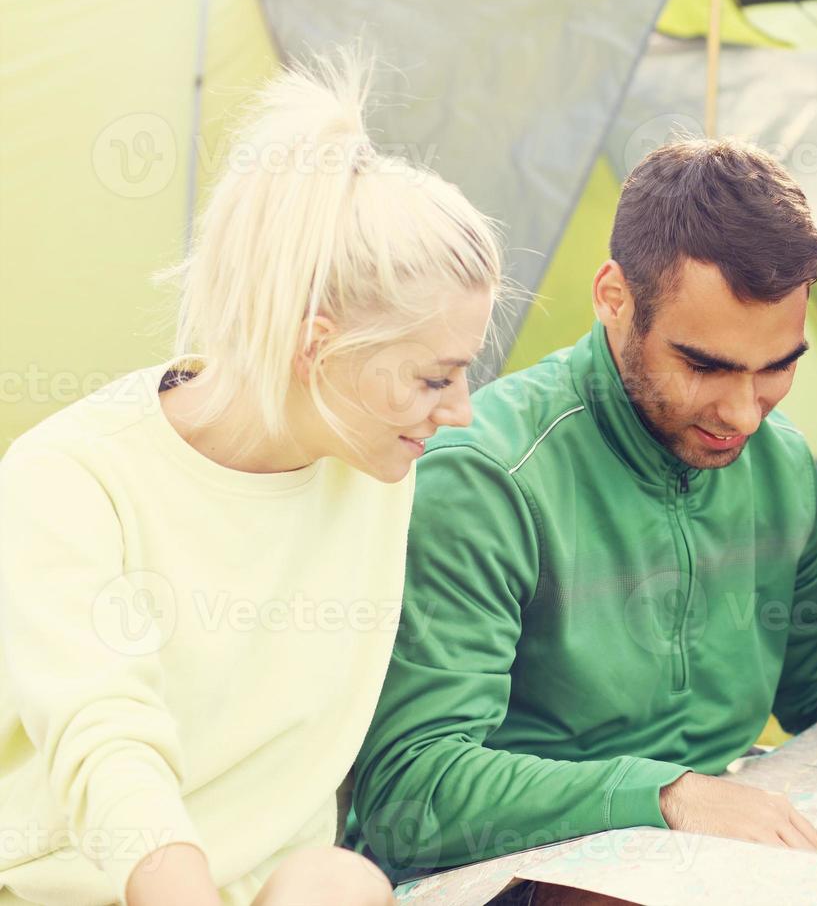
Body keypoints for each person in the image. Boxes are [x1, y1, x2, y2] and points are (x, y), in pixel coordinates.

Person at [345, 137, 817, 905]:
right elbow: (410, 794)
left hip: (732, 843)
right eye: (706, 367)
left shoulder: (777, 464)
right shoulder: (487, 479)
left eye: (777, 367)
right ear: (614, 298)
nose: (743, 415)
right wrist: (670, 797)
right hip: (527, 872)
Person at [0, 54, 502, 905]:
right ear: (316, 348)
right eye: (432, 378)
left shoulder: (374, 463)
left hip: (285, 891)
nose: (462, 411)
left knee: (339, 882)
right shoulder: (70, 477)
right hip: (91, 891)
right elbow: (109, 748)